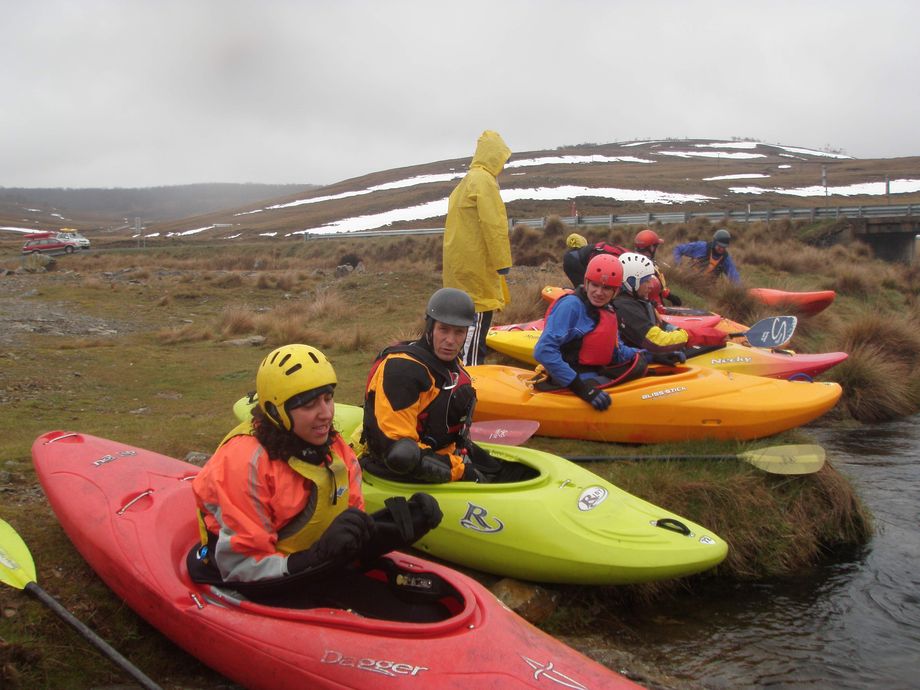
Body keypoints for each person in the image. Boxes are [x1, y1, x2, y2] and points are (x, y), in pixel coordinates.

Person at [189, 344, 444, 619]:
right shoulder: (245, 463)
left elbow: (349, 524)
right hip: (252, 580)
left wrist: (391, 529)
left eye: (328, 398)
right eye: (309, 405)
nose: (326, 413)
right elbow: (242, 568)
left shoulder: (335, 450)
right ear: (277, 412)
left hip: (308, 565)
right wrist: (315, 558)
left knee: (427, 609)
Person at [363, 288, 534, 484]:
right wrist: (461, 471)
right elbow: (398, 450)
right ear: (430, 328)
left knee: (511, 472)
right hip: (404, 469)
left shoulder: (451, 363)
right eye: (443, 329)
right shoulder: (402, 371)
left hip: (444, 452)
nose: (450, 341)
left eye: (459, 332)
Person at [533, 254, 647, 411]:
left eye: (606, 288)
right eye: (595, 285)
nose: (599, 292)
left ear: (616, 291)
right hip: (570, 380)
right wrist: (582, 389)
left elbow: (616, 352)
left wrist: (647, 354)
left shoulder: (607, 310)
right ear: (586, 283)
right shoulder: (571, 306)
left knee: (642, 369)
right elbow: (543, 351)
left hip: (593, 375)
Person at [442, 130, 513, 366]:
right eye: (502, 160)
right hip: (476, 277)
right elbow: (494, 224)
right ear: (495, 157)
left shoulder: (464, 183)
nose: (502, 167)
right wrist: (503, 263)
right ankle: (469, 389)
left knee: (455, 333)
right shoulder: (484, 181)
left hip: (458, 271)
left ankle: (454, 382)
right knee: (472, 342)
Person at [613, 253, 726, 358]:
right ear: (631, 282)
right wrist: (690, 336)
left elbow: (661, 325)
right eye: (646, 281)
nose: (651, 285)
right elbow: (658, 342)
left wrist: (680, 330)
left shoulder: (637, 301)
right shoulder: (625, 308)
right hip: (644, 365)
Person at [633, 228, 682, 307]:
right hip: (652, 307)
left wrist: (669, 295)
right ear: (651, 248)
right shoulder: (644, 265)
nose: (656, 249)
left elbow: (658, 286)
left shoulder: (639, 261)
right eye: (656, 246)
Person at [672, 228, 741, 283]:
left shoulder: (725, 259)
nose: (721, 249)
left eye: (724, 247)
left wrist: (741, 290)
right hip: (687, 279)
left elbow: (734, 275)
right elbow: (678, 249)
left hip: (706, 287)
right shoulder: (701, 247)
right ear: (714, 242)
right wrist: (678, 265)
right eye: (719, 246)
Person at [562, 236, 626, 288]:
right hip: (573, 260)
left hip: (575, 258)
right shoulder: (623, 259)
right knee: (586, 289)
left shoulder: (623, 256)